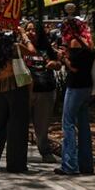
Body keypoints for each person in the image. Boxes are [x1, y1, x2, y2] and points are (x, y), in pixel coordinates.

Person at [0, 29, 35, 172]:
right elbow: (32, 51)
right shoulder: (14, 47)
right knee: (18, 126)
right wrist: (24, 35)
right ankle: (16, 163)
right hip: (16, 86)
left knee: (0, 125)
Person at [56, 20, 95, 176]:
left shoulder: (74, 42)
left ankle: (69, 164)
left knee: (68, 123)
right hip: (87, 86)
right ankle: (86, 164)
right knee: (84, 125)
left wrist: (62, 57)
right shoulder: (88, 43)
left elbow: (74, 67)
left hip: (75, 86)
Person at [25, 21, 60, 163]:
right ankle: (19, 152)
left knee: (42, 126)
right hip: (26, 92)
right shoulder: (20, 47)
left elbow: (58, 64)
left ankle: (45, 152)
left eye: (34, 30)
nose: (30, 32)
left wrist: (55, 64)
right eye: (28, 29)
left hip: (45, 91)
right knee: (20, 123)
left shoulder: (47, 48)